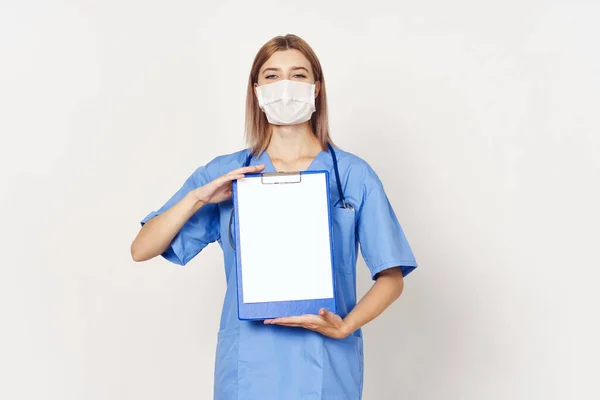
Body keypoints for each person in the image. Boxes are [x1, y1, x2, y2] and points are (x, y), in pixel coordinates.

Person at [131, 33, 418, 400]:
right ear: (256, 90)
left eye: (298, 75)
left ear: (316, 89)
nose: (285, 86)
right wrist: (198, 197)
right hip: (248, 366)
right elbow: (142, 248)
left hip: (324, 363)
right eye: (272, 76)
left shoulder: (352, 176)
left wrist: (346, 326)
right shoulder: (228, 173)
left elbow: (392, 277)